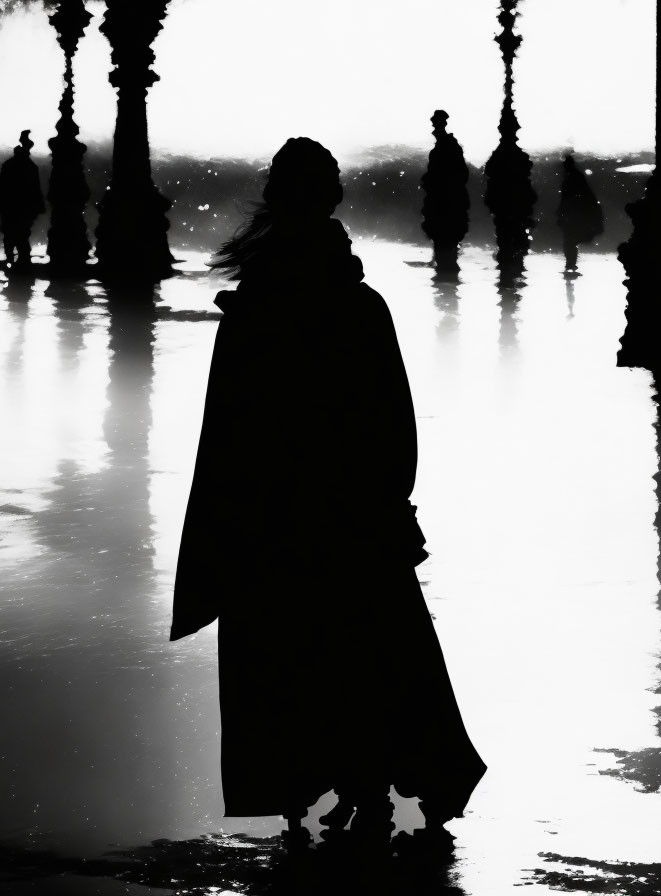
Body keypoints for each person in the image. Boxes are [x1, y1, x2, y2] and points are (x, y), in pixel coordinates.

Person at [171, 137, 485, 847]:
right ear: (332, 200)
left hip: (274, 523)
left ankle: (299, 791)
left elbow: (229, 436)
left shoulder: (254, 308)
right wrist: (389, 503)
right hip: (350, 520)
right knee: (368, 653)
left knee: (288, 660)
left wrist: (228, 532)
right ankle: (370, 786)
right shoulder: (357, 304)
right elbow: (393, 426)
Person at [420, 110, 470, 273]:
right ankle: (446, 280)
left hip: (444, 204)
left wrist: (431, 182)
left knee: (444, 247)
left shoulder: (446, 146)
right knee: (446, 248)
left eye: (435, 124)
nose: (433, 128)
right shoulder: (447, 145)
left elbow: (456, 175)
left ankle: (445, 278)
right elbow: (461, 175)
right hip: (447, 203)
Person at [0, 130, 46, 271]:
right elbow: (35, 189)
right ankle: (22, 262)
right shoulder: (30, 167)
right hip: (23, 209)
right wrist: (37, 207)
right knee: (22, 236)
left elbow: (1, 188)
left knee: (11, 237)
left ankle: (11, 261)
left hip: (11, 208)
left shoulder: (10, 165)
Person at [556, 153, 604, 276]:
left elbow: (568, 197)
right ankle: (571, 264)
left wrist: (562, 212)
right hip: (574, 213)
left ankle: (570, 264)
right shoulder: (574, 176)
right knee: (571, 240)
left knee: (570, 240)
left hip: (573, 213)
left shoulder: (571, 177)